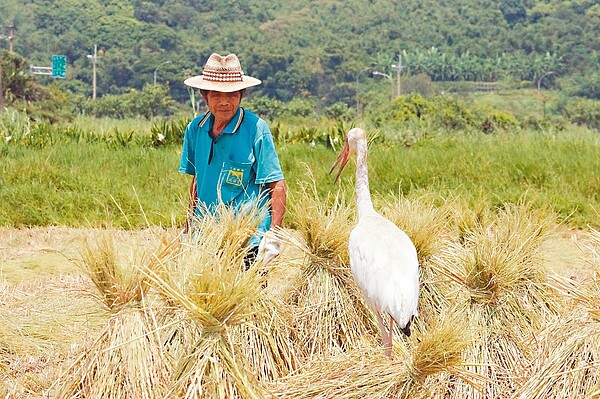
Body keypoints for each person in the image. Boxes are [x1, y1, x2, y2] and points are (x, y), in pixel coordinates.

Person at [179, 53, 287, 269]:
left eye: (231, 95)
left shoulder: (256, 129)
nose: (224, 102)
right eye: (217, 95)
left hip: (247, 237)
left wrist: (273, 235)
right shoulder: (195, 130)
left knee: (248, 300)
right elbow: (197, 182)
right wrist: (189, 227)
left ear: (242, 94)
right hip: (207, 236)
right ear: (204, 95)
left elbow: (277, 185)